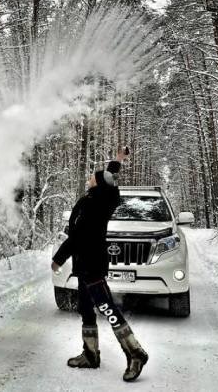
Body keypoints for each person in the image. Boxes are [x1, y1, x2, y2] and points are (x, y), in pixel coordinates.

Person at [51, 147, 148, 382]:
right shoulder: (92, 199)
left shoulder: (99, 202)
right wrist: (117, 160)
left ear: (98, 183)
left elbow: (77, 237)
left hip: (91, 264)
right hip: (84, 265)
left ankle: (135, 352)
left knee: (107, 308)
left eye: (92, 176)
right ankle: (91, 354)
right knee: (86, 308)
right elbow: (108, 178)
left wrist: (59, 258)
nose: (88, 178)